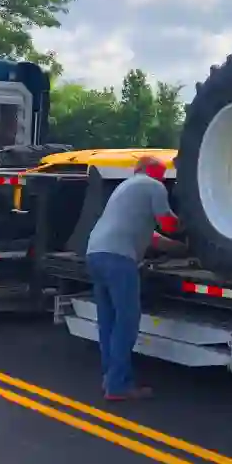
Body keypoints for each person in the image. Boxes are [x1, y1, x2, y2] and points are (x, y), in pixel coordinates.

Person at [85, 155, 181, 401]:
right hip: (119, 259)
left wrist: (179, 248)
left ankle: (109, 377)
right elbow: (168, 224)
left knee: (108, 321)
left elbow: (153, 237)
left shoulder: (125, 188)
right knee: (126, 322)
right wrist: (194, 230)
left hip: (95, 253)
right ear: (157, 173)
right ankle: (118, 386)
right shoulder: (154, 186)